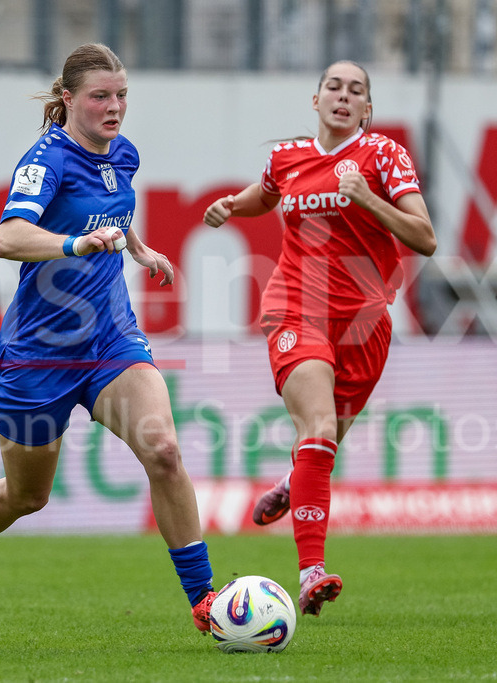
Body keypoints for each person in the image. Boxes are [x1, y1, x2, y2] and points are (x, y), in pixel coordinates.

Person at [0, 43, 216, 633]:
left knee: (163, 450)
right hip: (36, 358)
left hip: (110, 342)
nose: (115, 108)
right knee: (27, 496)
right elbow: (8, 239)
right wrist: (73, 245)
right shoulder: (44, 161)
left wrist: (137, 248)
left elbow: (111, 206)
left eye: (122, 96)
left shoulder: (123, 153)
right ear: (67, 99)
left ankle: (204, 601)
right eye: (100, 97)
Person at [203, 60, 436, 617]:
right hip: (294, 308)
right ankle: (310, 573)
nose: (343, 95)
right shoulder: (286, 156)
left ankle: (290, 481)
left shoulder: (383, 156)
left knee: (323, 446)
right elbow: (266, 194)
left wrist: (368, 199)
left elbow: (424, 238)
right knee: (319, 427)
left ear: (367, 108)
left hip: (364, 320)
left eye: (356, 90)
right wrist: (230, 205)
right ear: (316, 100)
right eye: (334, 86)